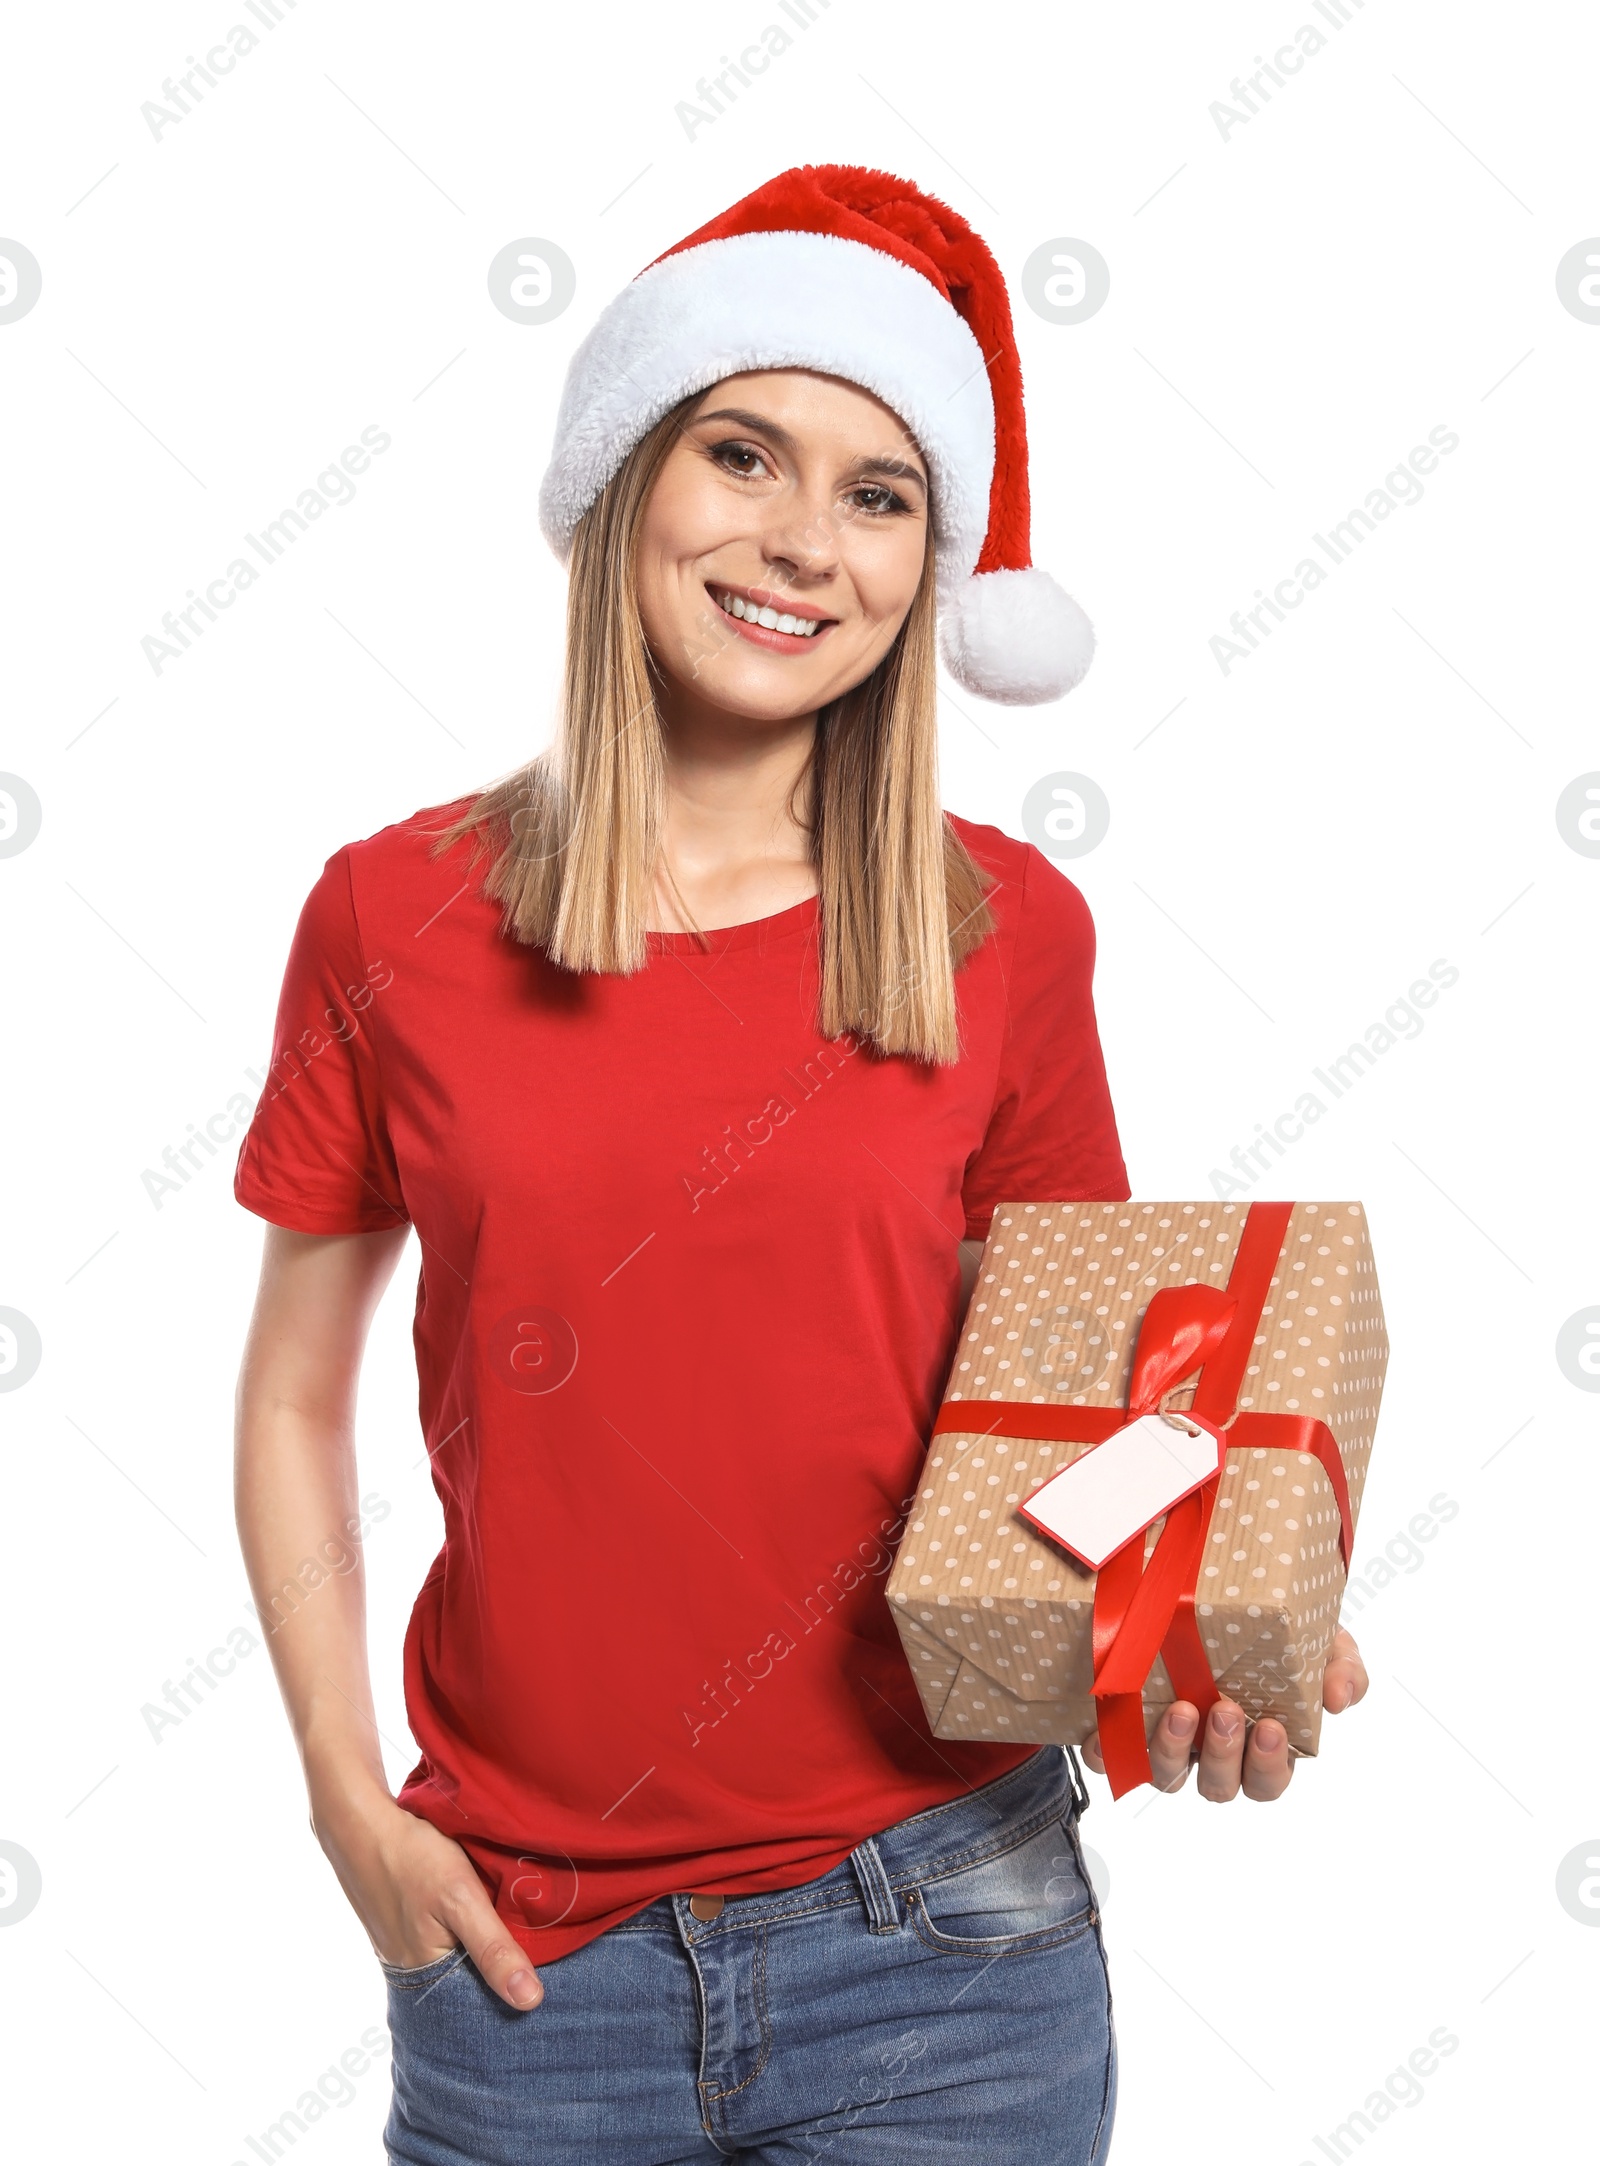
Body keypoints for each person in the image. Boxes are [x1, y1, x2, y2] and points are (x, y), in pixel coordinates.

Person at [232, 166, 1368, 2166]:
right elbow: (294, 1389)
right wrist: (342, 1790)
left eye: (877, 493)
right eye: (740, 452)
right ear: (621, 486)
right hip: (525, 1962)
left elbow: (1095, 1412)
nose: (797, 540)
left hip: (943, 1936)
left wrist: (1202, 1616)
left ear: (929, 568)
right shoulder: (387, 917)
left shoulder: (1001, 930)